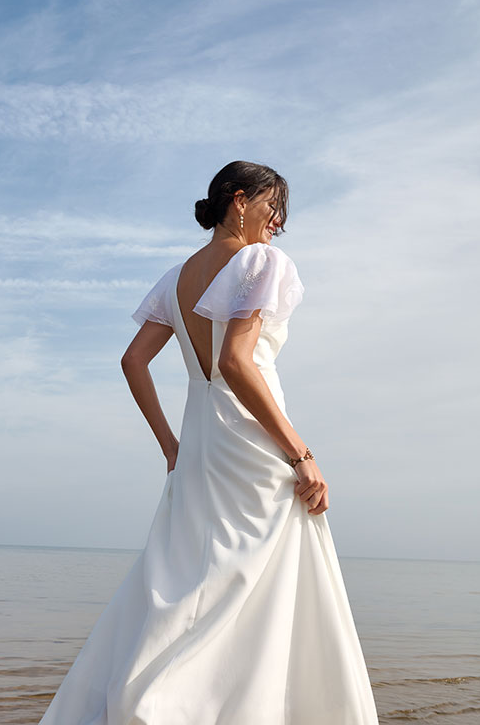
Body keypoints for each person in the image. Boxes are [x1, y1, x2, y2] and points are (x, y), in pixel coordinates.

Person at [39, 161, 379, 724]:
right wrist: (302, 454)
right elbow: (236, 362)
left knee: (190, 580)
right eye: (274, 212)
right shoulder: (259, 262)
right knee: (255, 584)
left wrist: (171, 447)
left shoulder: (178, 277)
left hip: (199, 442)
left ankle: (152, 701)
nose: (276, 228)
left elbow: (133, 361)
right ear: (239, 201)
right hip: (250, 440)